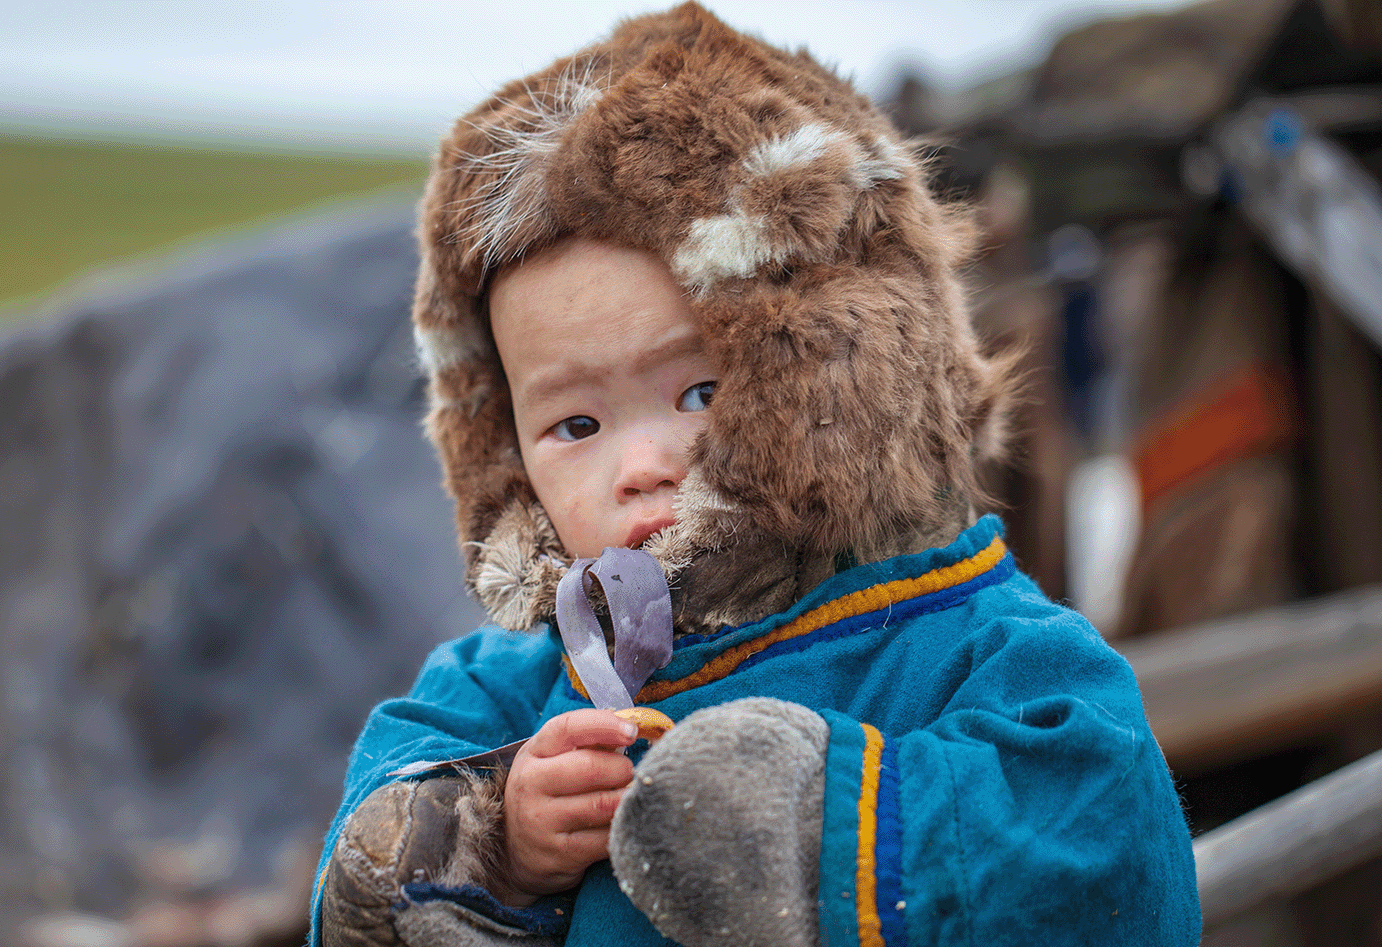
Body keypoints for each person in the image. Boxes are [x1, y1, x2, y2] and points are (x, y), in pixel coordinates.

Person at [310, 4, 1201, 946]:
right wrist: (500, 843)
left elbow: (1107, 852)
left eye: (700, 391)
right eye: (576, 424)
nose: (639, 466)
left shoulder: (981, 649)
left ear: (850, 371)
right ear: (504, 449)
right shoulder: (504, 685)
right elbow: (360, 879)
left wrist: (822, 832)